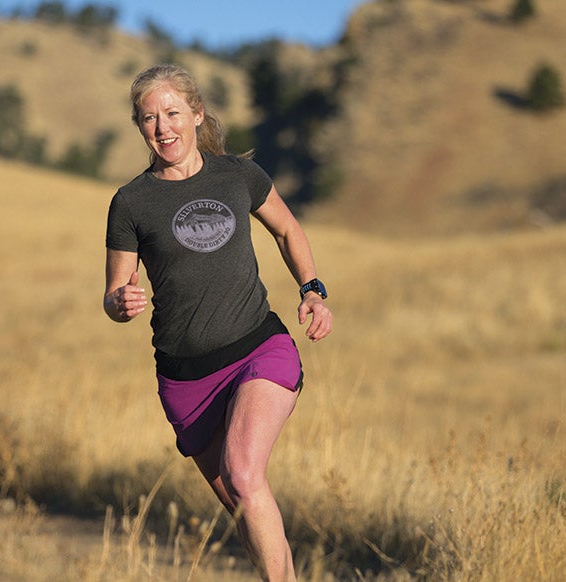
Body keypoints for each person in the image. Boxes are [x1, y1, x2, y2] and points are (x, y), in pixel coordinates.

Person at [103, 64, 332, 582]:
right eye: (149, 119)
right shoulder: (131, 202)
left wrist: (313, 289)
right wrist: (122, 302)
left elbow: (287, 229)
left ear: (197, 114)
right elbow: (114, 292)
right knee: (244, 505)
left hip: (258, 348)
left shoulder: (237, 175)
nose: (163, 128)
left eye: (172, 114)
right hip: (186, 379)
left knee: (245, 474)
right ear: (139, 127)